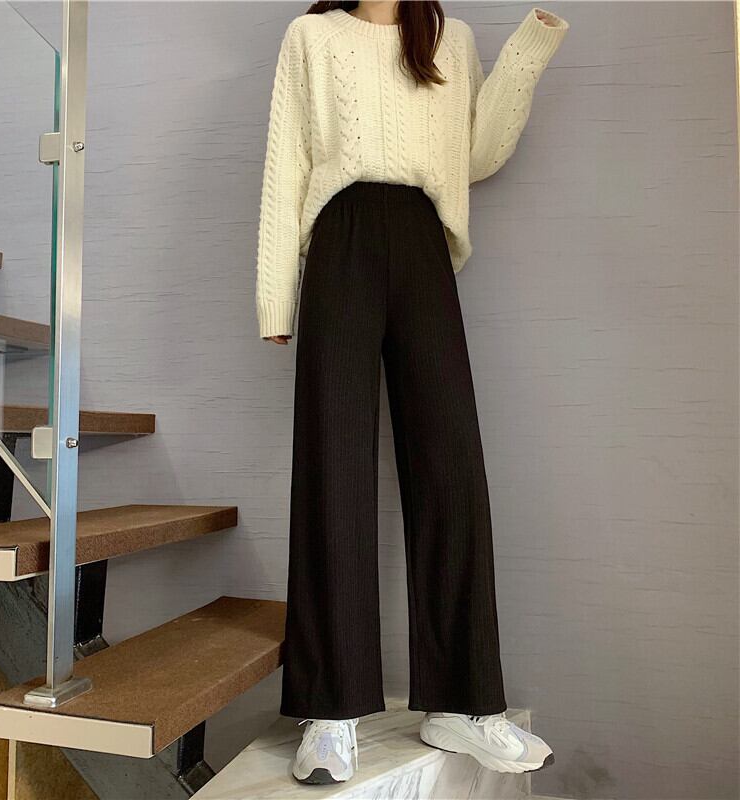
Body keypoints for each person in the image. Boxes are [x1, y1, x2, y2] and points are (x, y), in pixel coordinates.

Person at [255, 0, 569, 785]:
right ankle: (330, 711)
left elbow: (477, 152)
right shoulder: (311, 36)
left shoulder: (449, 40)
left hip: (424, 240)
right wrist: (275, 297)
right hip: (340, 238)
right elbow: (286, 160)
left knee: (452, 467)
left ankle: (463, 704)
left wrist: (526, 52)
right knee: (334, 467)